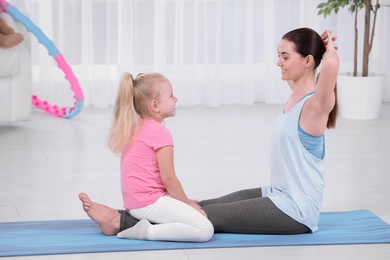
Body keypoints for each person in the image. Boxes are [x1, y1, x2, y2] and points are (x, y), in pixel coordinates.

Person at [80, 27, 339, 236]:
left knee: (200, 218)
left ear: (308, 61)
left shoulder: (315, 107)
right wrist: (318, 47)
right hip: (276, 194)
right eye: (278, 55)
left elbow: (329, 69)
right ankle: (128, 216)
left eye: (285, 56)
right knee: (199, 205)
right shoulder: (295, 97)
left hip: (295, 211)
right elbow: (316, 70)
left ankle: (119, 222)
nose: (278, 62)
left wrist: (328, 49)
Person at [86, 72, 214, 242]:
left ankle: (129, 222)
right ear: (155, 105)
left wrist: (183, 200)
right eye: (171, 95)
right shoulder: (159, 132)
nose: (176, 99)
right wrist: (188, 205)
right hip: (149, 204)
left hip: (135, 203)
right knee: (205, 230)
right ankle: (146, 232)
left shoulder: (135, 127)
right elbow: (169, 179)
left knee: (193, 210)